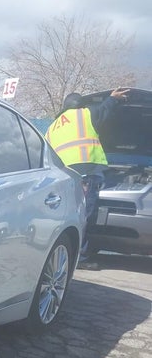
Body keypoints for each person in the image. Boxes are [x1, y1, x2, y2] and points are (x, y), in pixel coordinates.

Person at [45, 87, 130, 269]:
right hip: (86, 172)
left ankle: (63, 254)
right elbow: (104, 110)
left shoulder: (53, 126)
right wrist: (113, 97)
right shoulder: (84, 114)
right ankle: (81, 258)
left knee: (67, 216)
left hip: (63, 177)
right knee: (84, 215)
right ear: (80, 105)